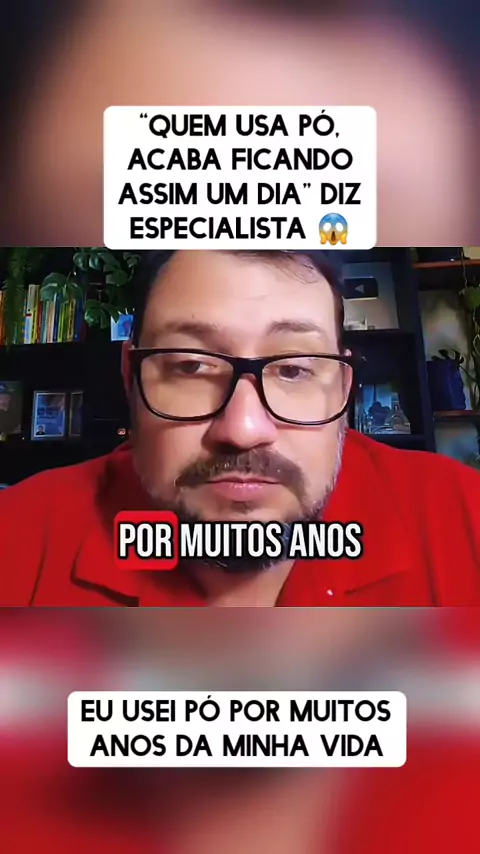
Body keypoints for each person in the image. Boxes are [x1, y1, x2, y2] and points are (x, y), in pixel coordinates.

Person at [1, 249, 479, 607]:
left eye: (293, 369)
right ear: (131, 378)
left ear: (343, 388)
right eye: (190, 366)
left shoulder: (465, 519)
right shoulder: (16, 541)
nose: (244, 429)